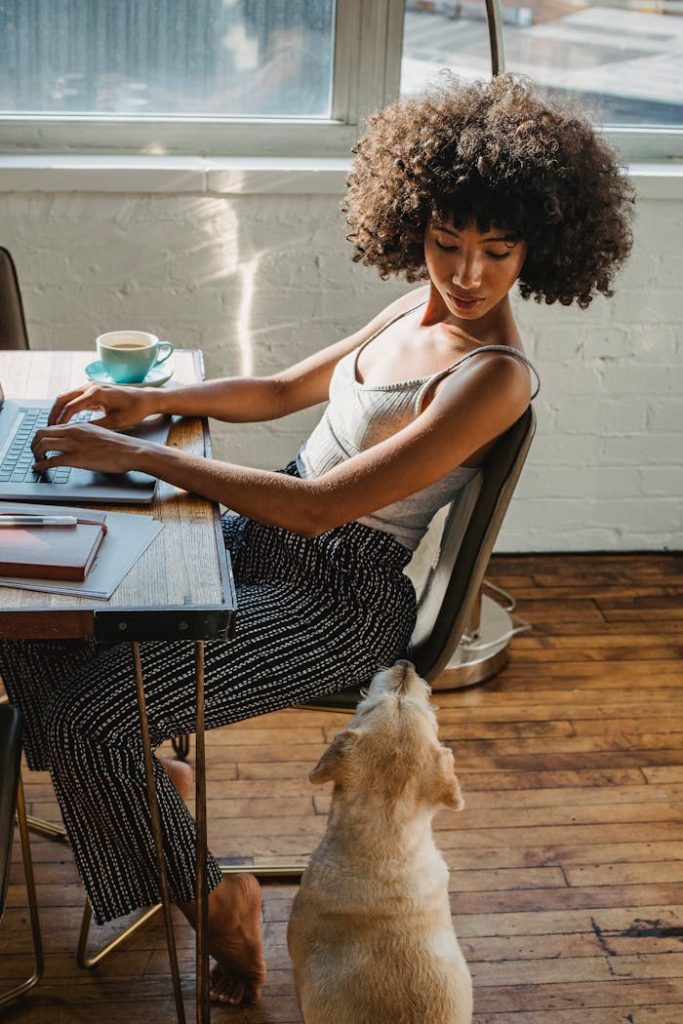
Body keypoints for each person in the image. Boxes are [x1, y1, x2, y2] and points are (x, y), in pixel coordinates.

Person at [1, 74, 633, 1006]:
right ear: (413, 224)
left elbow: (321, 508)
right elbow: (277, 392)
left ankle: (222, 907)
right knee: (30, 614)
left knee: (92, 722)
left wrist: (134, 454)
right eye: (444, 244)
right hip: (263, 540)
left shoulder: (493, 377)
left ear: (536, 248)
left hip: (336, 597)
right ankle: (150, 789)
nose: (463, 275)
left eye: (494, 253)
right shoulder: (409, 310)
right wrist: (148, 405)